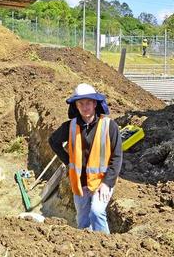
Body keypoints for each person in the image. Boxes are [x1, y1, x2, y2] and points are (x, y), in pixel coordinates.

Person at [48, 83, 122, 234]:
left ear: (95, 104)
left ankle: (105, 245)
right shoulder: (70, 126)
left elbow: (117, 156)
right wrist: (68, 161)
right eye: (81, 103)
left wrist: (107, 183)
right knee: (82, 220)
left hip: (102, 181)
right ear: (76, 105)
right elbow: (53, 141)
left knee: (96, 212)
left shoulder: (109, 126)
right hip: (79, 183)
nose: (85, 106)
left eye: (88, 102)